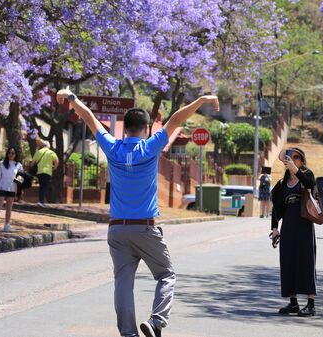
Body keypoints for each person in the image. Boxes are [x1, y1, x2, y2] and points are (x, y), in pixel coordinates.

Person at [56, 87, 219, 337]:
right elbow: (176, 119)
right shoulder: (149, 148)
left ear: (125, 128)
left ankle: (129, 334)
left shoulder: (113, 147)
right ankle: (155, 323)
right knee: (166, 275)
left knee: (123, 282)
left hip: (117, 229)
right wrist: (201, 99)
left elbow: (89, 117)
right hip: (144, 227)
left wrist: (71, 96)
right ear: (145, 128)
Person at [271, 147, 317, 317]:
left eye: (296, 157)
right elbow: (277, 208)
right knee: (288, 262)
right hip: (288, 226)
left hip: (304, 225)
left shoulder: (307, 176)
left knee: (306, 261)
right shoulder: (283, 184)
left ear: (302, 161)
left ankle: (311, 304)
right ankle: (293, 303)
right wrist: (275, 228)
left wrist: (296, 170)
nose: (292, 159)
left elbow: (311, 185)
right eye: (290, 157)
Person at [0, 147, 24, 232]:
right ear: (7, 154)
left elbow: (21, 178)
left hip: (12, 188)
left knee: (9, 207)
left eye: (13, 153)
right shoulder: (2, 163)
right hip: (2, 186)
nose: (11, 155)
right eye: (9, 153)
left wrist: (18, 187)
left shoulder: (19, 165)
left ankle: (7, 225)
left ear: (15, 154)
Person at [30, 139, 59, 207]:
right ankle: (41, 201)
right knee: (44, 187)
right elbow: (57, 161)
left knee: (41, 186)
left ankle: (40, 201)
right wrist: (54, 168)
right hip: (47, 172)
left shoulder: (38, 152)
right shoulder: (51, 152)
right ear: (48, 146)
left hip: (40, 172)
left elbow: (32, 163)